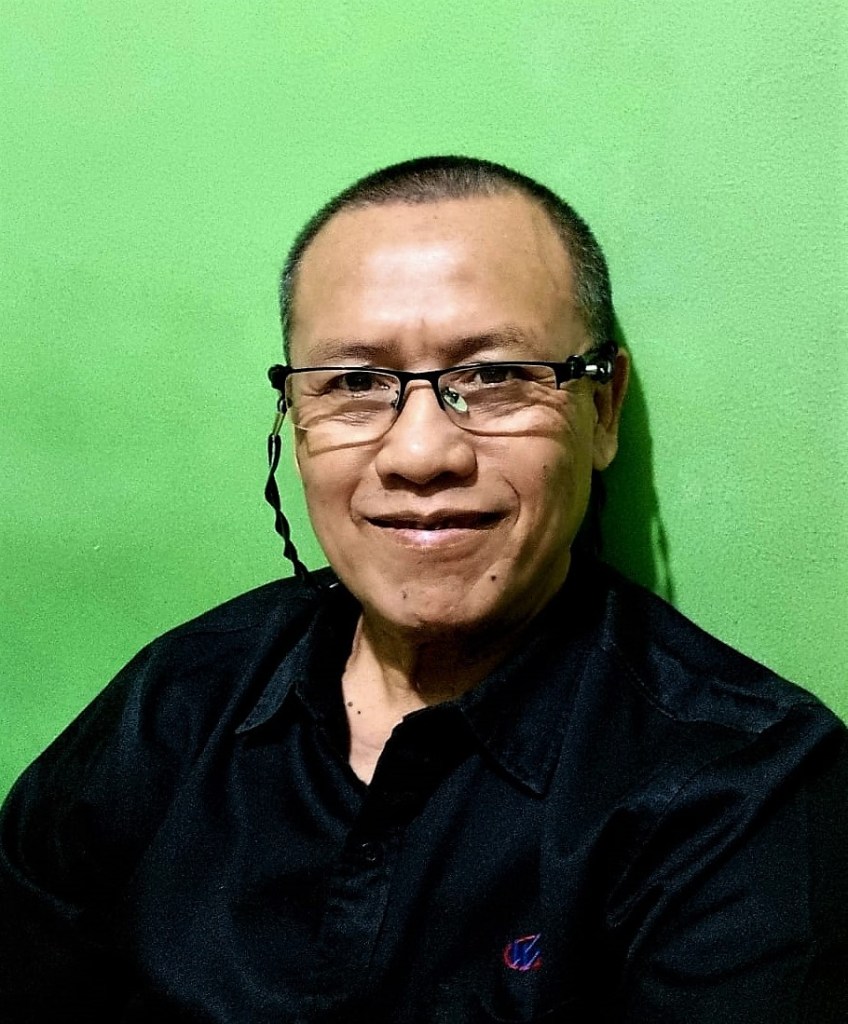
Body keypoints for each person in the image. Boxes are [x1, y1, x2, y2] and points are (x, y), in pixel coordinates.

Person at [1, 156, 846, 1023]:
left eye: (495, 376)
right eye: (354, 384)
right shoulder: (183, 699)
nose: (419, 454)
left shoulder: (743, 792)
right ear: (295, 422)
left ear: (602, 410)